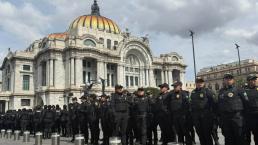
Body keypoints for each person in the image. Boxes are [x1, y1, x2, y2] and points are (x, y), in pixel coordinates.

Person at [217, 73, 248, 145]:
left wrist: (244, 118)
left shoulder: (239, 90)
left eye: (230, 79)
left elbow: (246, 103)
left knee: (240, 138)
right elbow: (219, 106)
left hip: (237, 118)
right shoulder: (221, 92)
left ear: (233, 80)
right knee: (228, 139)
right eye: (226, 78)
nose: (228, 80)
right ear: (223, 80)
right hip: (225, 119)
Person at [190, 77, 216, 145]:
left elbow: (214, 104)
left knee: (207, 134)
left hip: (206, 116)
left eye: (201, 82)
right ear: (196, 83)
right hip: (196, 117)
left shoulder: (208, 91)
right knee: (200, 134)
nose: (199, 84)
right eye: (198, 82)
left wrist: (214, 117)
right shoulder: (193, 92)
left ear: (203, 83)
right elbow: (191, 104)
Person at [244, 74, 258, 145]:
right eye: (253, 79)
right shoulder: (243, 90)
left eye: (255, 79)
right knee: (246, 138)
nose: (255, 81)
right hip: (247, 117)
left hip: (257, 117)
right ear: (248, 81)